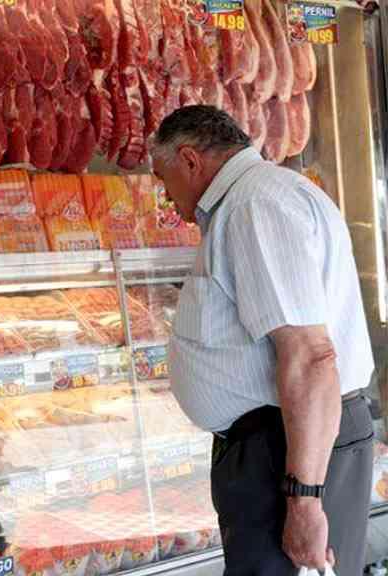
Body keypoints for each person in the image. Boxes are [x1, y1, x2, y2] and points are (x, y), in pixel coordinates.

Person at [152, 105, 375, 576]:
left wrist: (305, 500)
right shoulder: (265, 195)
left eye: (162, 178)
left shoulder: (254, 205)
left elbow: (311, 356)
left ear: (190, 160)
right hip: (286, 446)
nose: (165, 196)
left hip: (287, 452)